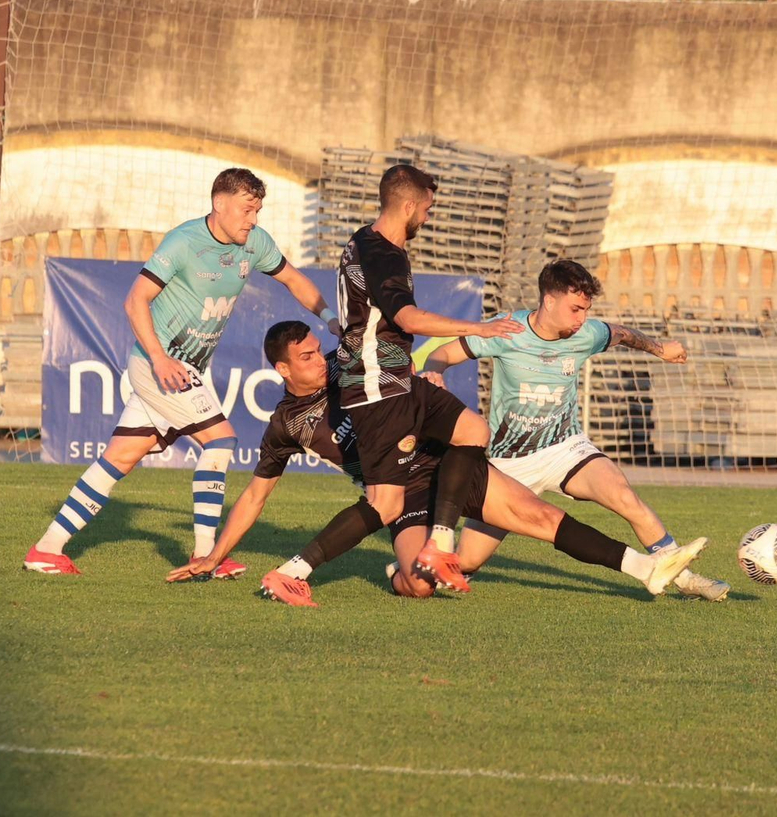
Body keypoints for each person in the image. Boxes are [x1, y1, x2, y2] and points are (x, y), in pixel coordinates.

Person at [167, 321, 706, 606]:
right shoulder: (286, 425)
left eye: (317, 349)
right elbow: (256, 495)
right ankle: (406, 569)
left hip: (447, 465)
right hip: (398, 495)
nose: (320, 361)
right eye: (306, 357)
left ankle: (647, 569)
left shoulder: (353, 368)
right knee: (419, 587)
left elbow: (404, 344)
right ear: (283, 370)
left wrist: (426, 378)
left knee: (541, 518)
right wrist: (215, 555)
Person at [23, 168, 338, 577]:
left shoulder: (254, 243)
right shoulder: (184, 242)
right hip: (160, 365)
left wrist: (330, 319)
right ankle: (205, 556)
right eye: (246, 210)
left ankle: (47, 548)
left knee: (120, 457)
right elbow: (135, 300)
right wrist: (159, 358)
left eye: (257, 210)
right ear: (219, 203)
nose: (253, 219)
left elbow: (293, 279)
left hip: (183, 368)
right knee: (221, 440)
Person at [423, 259, 729, 601]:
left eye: (586, 310)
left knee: (624, 496)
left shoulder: (586, 334)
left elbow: (623, 333)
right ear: (549, 300)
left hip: (565, 448)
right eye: (575, 309)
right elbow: (442, 353)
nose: (582, 319)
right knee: (467, 560)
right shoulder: (507, 330)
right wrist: (435, 373)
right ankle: (416, 566)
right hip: (509, 464)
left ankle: (684, 578)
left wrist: (661, 350)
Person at [327, 163, 523, 594]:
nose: (428, 217)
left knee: (472, 430)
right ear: (408, 206)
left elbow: (373, 320)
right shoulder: (385, 254)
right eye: (427, 208)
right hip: (378, 386)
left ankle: (438, 543)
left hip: (389, 376)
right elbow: (407, 317)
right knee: (383, 504)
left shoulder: (363, 239)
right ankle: (297, 569)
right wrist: (480, 328)